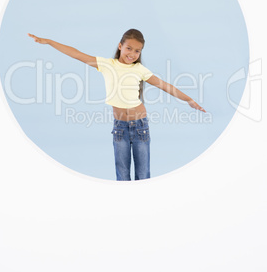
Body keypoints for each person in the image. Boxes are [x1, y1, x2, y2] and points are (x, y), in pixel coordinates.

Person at [28, 29, 206, 181]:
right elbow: (76, 54)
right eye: (129, 48)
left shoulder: (139, 69)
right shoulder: (106, 65)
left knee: (143, 174)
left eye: (137, 51)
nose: (132, 54)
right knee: (122, 175)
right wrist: (49, 41)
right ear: (120, 46)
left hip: (140, 126)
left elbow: (165, 86)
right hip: (120, 127)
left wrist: (189, 99)